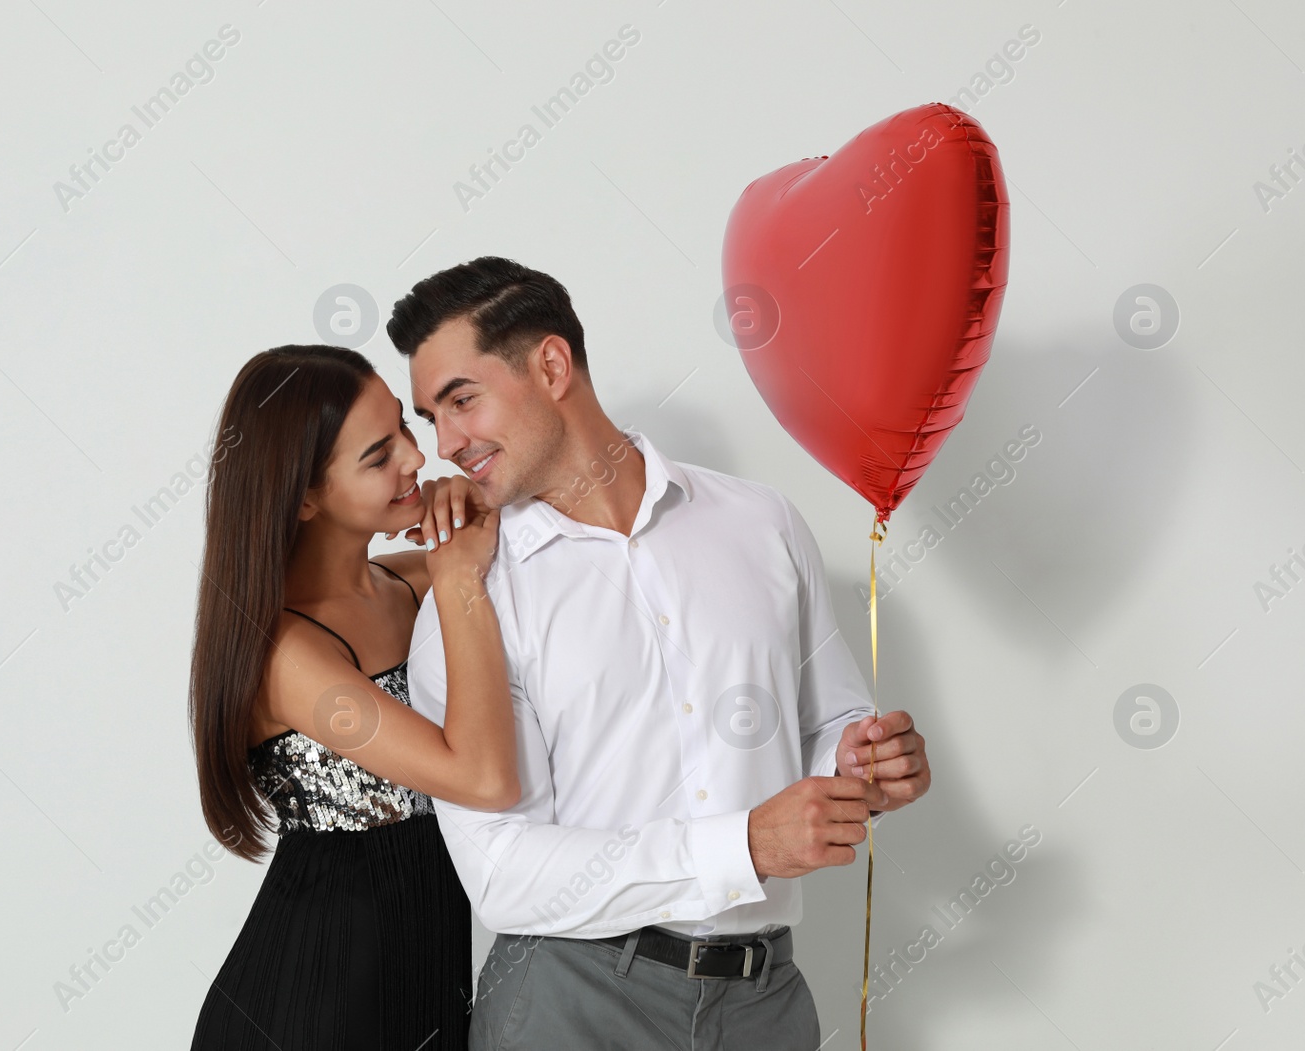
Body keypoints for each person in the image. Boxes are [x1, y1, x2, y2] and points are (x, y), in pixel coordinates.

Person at [387, 257, 934, 1050]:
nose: (447, 443)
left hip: (766, 1002)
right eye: (431, 416)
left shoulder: (761, 524)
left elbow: (831, 719)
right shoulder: (470, 597)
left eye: (461, 401)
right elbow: (501, 872)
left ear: (550, 364)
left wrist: (861, 764)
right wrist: (743, 844)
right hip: (569, 1005)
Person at [186, 343, 514, 1050]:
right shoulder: (285, 653)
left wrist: (472, 501)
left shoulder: (407, 583)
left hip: (426, 989)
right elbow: (483, 777)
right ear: (303, 495)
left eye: (404, 428)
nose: (416, 459)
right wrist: (457, 577)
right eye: (377, 455)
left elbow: (516, 535)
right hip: (310, 1006)